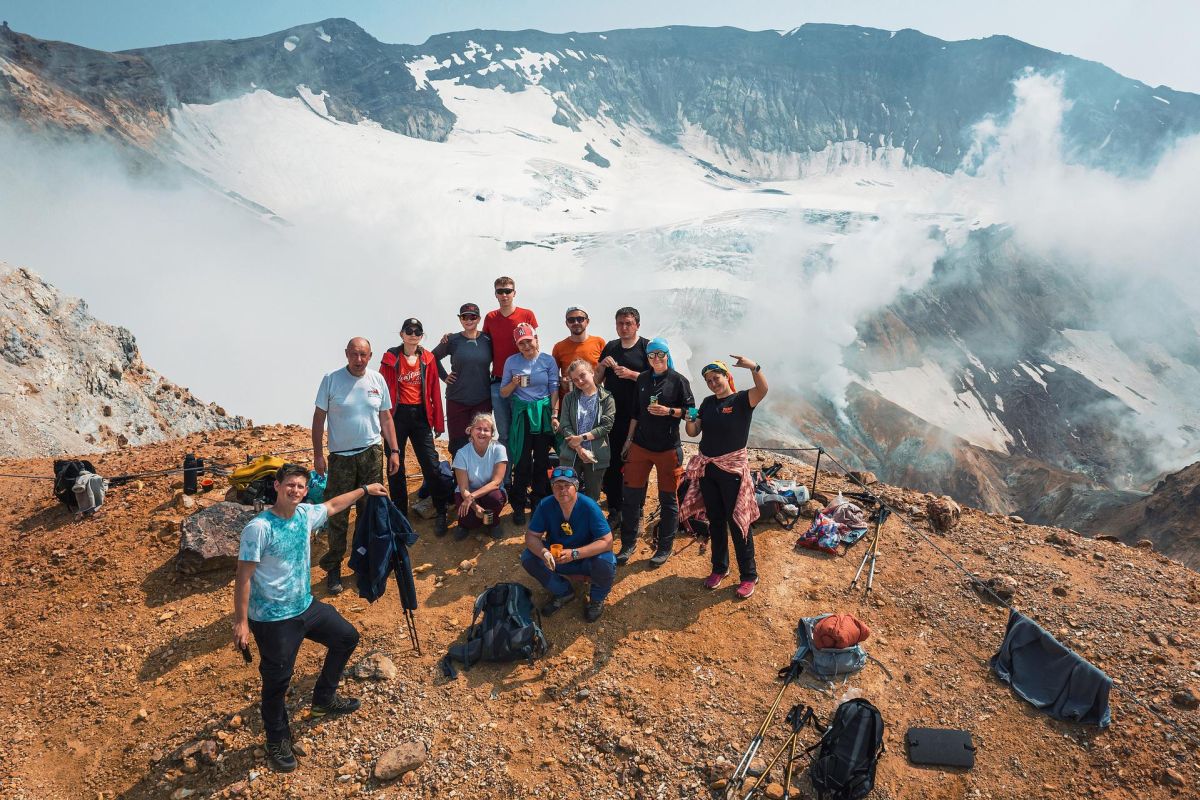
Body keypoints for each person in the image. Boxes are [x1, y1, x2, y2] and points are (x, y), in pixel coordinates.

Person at [233, 464, 386, 772]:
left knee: (346, 637)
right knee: (277, 680)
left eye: (301, 487)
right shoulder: (259, 528)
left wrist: (365, 490)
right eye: (290, 485)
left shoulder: (304, 516)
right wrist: (241, 621)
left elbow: (332, 505)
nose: (296, 491)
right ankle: (276, 738)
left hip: (305, 607)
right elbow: (243, 577)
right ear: (276, 486)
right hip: (273, 618)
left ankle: (324, 699)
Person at [312, 337, 400, 595]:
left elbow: (385, 417)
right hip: (341, 457)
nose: (358, 359)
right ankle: (334, 567)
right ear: (346, 354)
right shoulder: (331, 379)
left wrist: (394, 450)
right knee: (338, 514)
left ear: (370, 355)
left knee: (370, 510)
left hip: (372, 453)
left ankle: (365, 562)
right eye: (354, 354)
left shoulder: (377, 380)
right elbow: (319, 418)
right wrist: (318, 454)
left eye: (363, 355)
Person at [682, 357, 768, 599]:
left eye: (716, 378)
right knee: (716, 520)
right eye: (708, 381)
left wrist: (754, 367)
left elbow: (763, 389)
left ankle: (749, 575)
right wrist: (690, 417)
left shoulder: (741, 400)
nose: (712, 383)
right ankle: (720, 568)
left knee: (738, 521)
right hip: (708, 470)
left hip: (731, 471)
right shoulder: (707, 403)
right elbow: (693, 431)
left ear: (726, 375)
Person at [618, 337, 694, 568]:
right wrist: (628, 441)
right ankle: (628, 543)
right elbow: (635, 413)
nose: (656, 359)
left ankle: (664, 546)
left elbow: (691, 412)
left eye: (660, 354)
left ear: (667, 355)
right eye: (652, 355)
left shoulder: (679, 381)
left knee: (668, 499)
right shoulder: (642, 378)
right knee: (631, 496)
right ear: (647, 358)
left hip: (668, 448)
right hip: (640, 446)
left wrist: (669, 411)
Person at [380, 318, 450, 535]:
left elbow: (434, 392)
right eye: (408, 330)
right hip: (396, 416)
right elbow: (382, 391)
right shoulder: (390, 357)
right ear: (401, 334)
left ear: (421, 335)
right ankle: (400, 515)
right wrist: (379, 421)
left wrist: (438, 421)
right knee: (395, 465)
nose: (413, 334)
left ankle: (441, 511)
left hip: (420, 415)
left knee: (430, 464)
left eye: (417, 331)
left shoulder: (428, 358)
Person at [520, 466, 616, 622]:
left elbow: (607, 542)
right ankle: (563, 591)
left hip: (585, 558)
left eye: (567, 485)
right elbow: (531, 536)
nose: (562, 490)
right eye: (557, 486)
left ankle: (597, 599)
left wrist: (575, 553)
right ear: (552, 488)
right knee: (529, 557)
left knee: (606, 560)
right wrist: (544, 553)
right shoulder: (546, 505)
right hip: (558, 558)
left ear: (576, 487)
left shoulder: (589, 506)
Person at [594, 307, 650, 528]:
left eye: (628, 323)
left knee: (637, 461)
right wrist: (601, 365)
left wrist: (632, 375)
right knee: (613, 461)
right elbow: (597, 381)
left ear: (637, 324)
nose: (624, 327)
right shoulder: (611, 347)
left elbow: (658, 380)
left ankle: (636, 506)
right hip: (612, 414)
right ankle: (615, 507)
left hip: (640, 415)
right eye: (620, 323)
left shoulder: (647, 347)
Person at [501, 322, 559, 525]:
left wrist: (554, 413)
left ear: (536, 340)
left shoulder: (548, 360)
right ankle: (518, 505)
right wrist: (514, 383)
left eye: (528, 341)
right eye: (521, 343)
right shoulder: (511, 362)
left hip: (543, 414)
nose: (526, 346)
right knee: (523, 460)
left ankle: (538, 504)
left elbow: (554, 389)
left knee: (542, 461)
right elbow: (503, 392)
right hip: (523, 415)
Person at [483, 276, 538, 451]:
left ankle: (522, 474)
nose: (504, 294)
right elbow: (483, 343)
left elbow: (535, 343)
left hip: (523, 380)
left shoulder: (527, 314)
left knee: (523, 430)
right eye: (500, 291)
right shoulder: (490, 317)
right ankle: (505, 478)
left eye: (508, 291)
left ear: (514, 293)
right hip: (498, 380)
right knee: (504, 432)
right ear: (495, 294)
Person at [434, 302, 493, 458]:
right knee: (458, 444)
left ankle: (481, 480)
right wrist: (444, 376)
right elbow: (431, 358)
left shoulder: (488, 340)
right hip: (457, 399)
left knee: (481, 440)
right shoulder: (452, 340)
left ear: (479, 319)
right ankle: (459, 480)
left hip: (482, 398)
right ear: (460, 319)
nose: (469, 320)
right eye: (464, 317)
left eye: (472, 317)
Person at [557, 359, 615, 501]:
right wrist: (579, 448)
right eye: (575, 380)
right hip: (571, 454)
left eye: (582, 375)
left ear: (592, 372)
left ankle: (589, 522)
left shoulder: (607, 397)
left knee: (592, 497)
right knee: (567, 494)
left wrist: (582, 438)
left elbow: (606, 426)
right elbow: (564, 425)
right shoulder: (569, 398)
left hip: (596, 455)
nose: (580, 381)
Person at [452, 413, 508, 540]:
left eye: (486, 430)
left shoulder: (499, 449)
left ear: (492, 433)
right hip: (468, 493)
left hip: (489, 492)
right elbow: (463, 488)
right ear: (471, 431)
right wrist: (475, 506)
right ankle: (464, 524)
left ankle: (494, 523)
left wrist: (472, 497)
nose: (482, 433)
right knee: (470, 520)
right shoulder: (462, 453)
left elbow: (496, 482)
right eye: (478, 429)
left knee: (495, 498)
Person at [551, 306, 605, 398]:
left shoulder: (599, 342)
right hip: (570, 399)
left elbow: (605, 373)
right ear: (567, 323)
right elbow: (552, 376)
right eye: (571, 320)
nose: (576, 322)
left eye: (580, 319)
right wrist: (562, 381)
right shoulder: (559, 347)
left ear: (587, 321)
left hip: (595, 397)